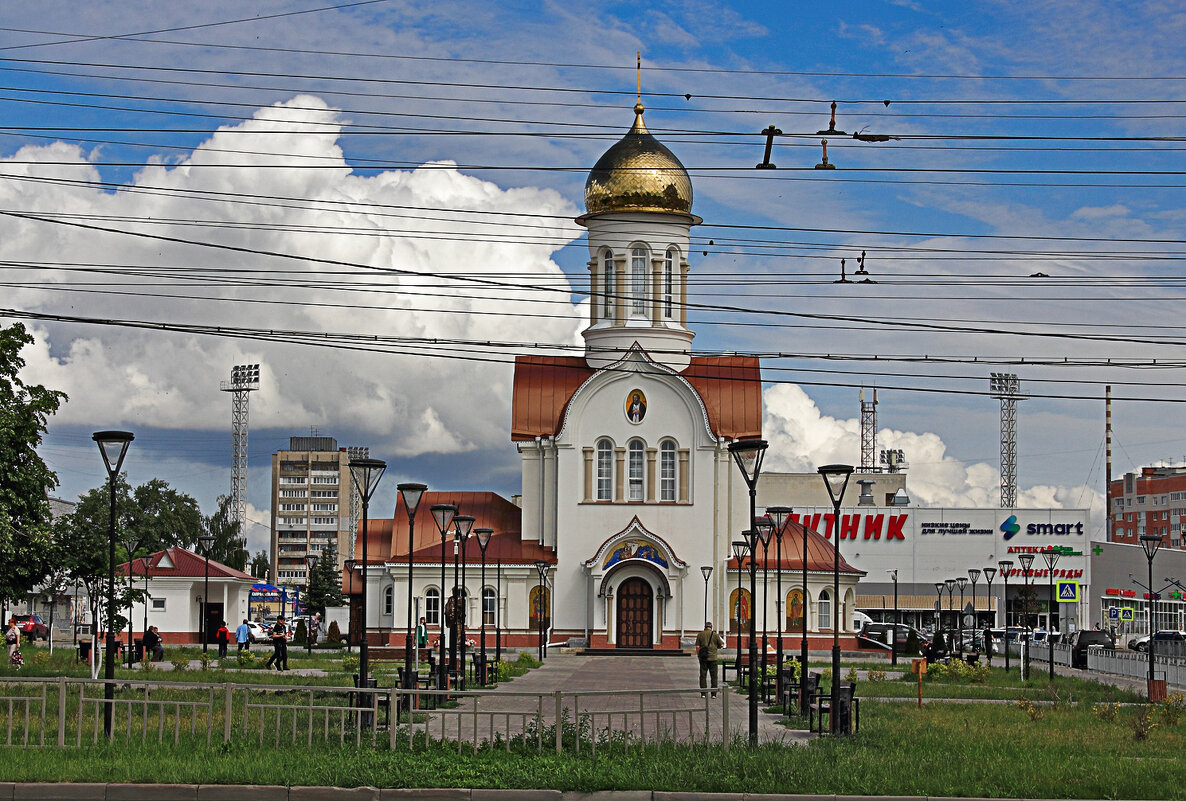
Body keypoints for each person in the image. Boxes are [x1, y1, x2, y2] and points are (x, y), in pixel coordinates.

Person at [695, 621, 724, 696]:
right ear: (711, 627)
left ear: (705, 627)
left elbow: (697, 647)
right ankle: (713, 694)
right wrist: (715, 647)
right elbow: (721, 645)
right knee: (714, 676)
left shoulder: (700, 635)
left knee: (703, 676)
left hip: (703, 658)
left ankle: (703, 693)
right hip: (713, 658)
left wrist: (699, 656)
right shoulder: (715, 635)